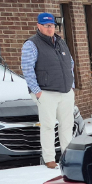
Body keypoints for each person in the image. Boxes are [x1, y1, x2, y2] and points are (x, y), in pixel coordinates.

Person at [21, 13, 76, 170]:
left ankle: (68, 157)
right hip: (46, 92)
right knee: (48, 126)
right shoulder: (31, 44)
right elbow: (27, 69)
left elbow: (70, 63)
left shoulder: (60, 42)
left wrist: (72, 85)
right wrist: (37, 92)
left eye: (52, 25)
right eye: (46, 26)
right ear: (38, 26)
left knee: (67, 125)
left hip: (65, 91)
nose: (50, 28)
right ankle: (49, 159)